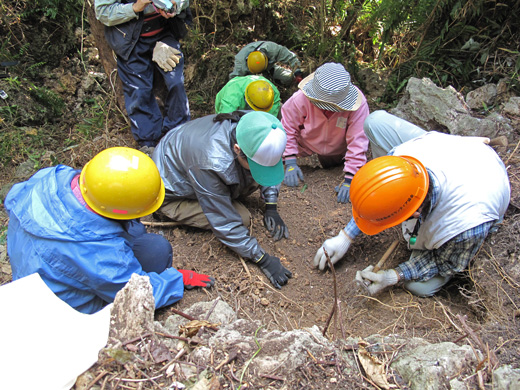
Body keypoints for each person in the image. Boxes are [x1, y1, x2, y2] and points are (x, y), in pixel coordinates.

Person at [314, 112, 510, 297]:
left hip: (486, 181)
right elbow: (378, 190)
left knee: (417, 286)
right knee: (376, 121)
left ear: (416, 214)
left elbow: (445, 262)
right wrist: (345, 236)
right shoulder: (402, 158)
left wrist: (393, 276)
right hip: (453, 150)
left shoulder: (465, 225)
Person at [4, 147, 214, 314]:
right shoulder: (99, 253)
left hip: (33, 269)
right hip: (61, 307)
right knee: (157, 250)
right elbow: (136, 296)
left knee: (137, 232)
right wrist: (176, 279)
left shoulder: (53, 177)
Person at [152, 111, 293, 289]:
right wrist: (262, 258)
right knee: (241, 217)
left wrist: (271, 204)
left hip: (188, 157)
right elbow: (224, 222)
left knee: (250, 177)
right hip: (168, 188)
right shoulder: (210, 162)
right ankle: (163, 211)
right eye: (255, 164)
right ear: (237, 150)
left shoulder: (258, 125)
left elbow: (269, 163)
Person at [94, 0, 192, 147]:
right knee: (139, 92)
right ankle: (149, 144)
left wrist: (174, 6)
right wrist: (136, 7)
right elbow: (103, 13)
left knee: (175, 82)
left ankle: (178, 135)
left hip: (164, 34)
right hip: (129, 41)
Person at [281, 62, 370, 203]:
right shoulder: (299, 99)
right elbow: (287, 129)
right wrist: (290, 161)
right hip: (304, 143)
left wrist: (351, 178)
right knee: (275, 152)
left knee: (332, 167)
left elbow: (358, 141)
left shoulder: (358, 107)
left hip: (337, 149)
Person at [229, 41, 303, 87]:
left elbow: (291, 58)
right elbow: (234, 82)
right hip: (250, 77)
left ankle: (280, 84)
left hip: (269, 68)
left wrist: (298, 73)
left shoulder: (271, 49)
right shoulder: (240, 65)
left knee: (289, 78)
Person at [215, 75, 282, 118]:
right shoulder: (230, 101)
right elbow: (225, 122)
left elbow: (271, 117)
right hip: (230, 108)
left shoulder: (271, 91)